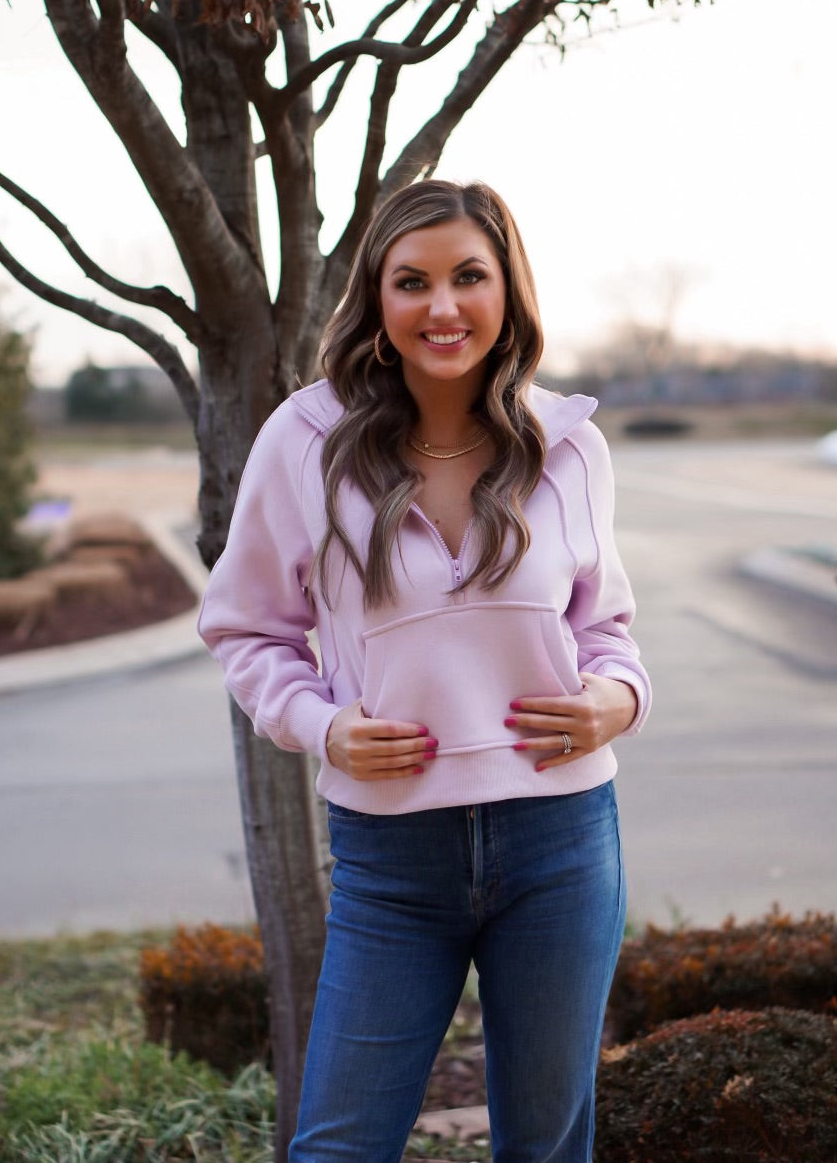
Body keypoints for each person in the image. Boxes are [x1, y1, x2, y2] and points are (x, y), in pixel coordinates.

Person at [198, 179, 651, 1163]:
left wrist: (614, 703)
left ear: (506, 294)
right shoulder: (304, 442)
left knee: (544, 1145)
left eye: (467, 277)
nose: (442, 306)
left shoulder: (570, 451)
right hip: (390, 857)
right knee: (339, 1145)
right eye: (413, 281)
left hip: (561, 843)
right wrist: (318, 725)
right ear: (378, 301)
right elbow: (244, 629)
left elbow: (607, 629)